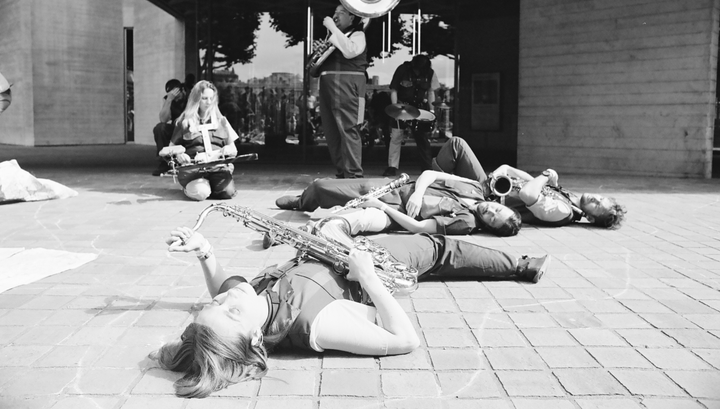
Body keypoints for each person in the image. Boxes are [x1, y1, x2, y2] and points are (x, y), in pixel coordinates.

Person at [151, 222, 551, 398]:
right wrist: (370, 279)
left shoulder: (252, 302)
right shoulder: (316, 326)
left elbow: (225, 287)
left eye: (215, 305)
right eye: (229, 312)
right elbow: (404, 340)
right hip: (368, 266)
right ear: (256, 339)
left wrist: (204, 252)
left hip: (334, 252)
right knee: (438, 247)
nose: (226, 299)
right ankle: (522, 265)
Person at [432, 136, 627, 228]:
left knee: (456, 145)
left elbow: (528, 194)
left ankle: (431, 183)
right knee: (456, 147)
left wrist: (545, 175)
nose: (595, 198)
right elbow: (524, 179)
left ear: (591, 218)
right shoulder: (568, 199)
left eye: (597, 205)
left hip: (487, 198)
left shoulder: (564, 211)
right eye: (600, 198)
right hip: (490, 187)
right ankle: (432, 184)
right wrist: (506, 170)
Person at [275, 171, 522, 237]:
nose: (490, 211)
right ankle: (302, 202)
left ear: (487, 226)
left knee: (341, 220)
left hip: (391, 210)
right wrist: (418, 192)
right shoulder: (476, 188)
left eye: (492, 219)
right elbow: (430, 173)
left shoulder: (465, 222)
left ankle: (289, 231)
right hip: (394, 187)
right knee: (321, 187)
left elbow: (418, 228)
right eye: (497, 209)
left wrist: (380, 207)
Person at [313, 4, 368, 179]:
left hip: (347, 86)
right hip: (329, 87)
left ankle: (353, 175)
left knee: (349, 130)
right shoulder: (335, 36)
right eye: (334, 12)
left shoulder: (358, 35)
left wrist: (331, 27)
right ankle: (342, 172)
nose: (335, 15)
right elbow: (314, 69)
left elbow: (351, 51)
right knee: (332, 133)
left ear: (352, 18)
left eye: (341, 13)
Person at [162, 80, 239, 201]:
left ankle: (210, 186)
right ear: (196, 99)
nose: (208, 102)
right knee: (201, 193)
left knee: (228, 193)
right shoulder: (184, 121)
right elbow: (169, 149)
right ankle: (195, 188)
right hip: (193, 171)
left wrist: (227, 150)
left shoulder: (221, 120)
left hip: (217, 169)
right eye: (204, 98)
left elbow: (234, 149)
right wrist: (179, 155)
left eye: (211, 98)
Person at [384, 54, 442, 176]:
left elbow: (430, 92)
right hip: (402, 107)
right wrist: (395, 109)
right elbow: (394, 89)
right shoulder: (403, 70)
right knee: (396, 136)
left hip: (419, 109)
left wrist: (431, 112)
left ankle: (427, 168)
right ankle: (392, 166)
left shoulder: (429, 73)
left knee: (422, 139)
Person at [152, 79, 187, 176]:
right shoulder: (169, 99)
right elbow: (163, 119)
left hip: (189, 129)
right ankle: (164, 162)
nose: (176, 97)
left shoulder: (190, 97)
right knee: (160, 128)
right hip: (175, 130)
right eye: (173, 95)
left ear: (182, 90)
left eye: (177, 94)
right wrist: (169, 100)